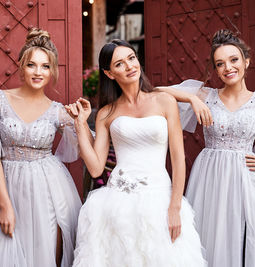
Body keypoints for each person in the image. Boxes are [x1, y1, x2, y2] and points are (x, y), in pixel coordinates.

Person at [158, 29, 255, 267]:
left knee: (252, 241)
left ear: (246, 62)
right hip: (210, 178)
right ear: (216, 70)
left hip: (248, 182)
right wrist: (192, 99)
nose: (228, 67)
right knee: (210, 236)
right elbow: (155, 92)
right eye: (220, 63)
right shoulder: (206, 95)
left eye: (234, 60)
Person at [65, 39, 207, 267]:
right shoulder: (106, 113)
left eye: (132, 58)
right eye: (119, 64)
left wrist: (174, 207)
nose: (130, 66)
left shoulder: (164, 101)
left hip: (159, 198)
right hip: (116, 202)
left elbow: (178, 160)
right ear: (109, 73)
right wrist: (81, 124)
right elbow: (95, 168)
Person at [0, 28, 92, 267]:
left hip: (48, 190)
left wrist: (81, 121)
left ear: (52, 71)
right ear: (21, 67)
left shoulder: (57, 110)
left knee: (45, 255)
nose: (38, 72)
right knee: (5, 252)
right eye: (31, 65)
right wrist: (5, 207)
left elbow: (89, 148)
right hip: (8, 188)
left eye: (45, 66)